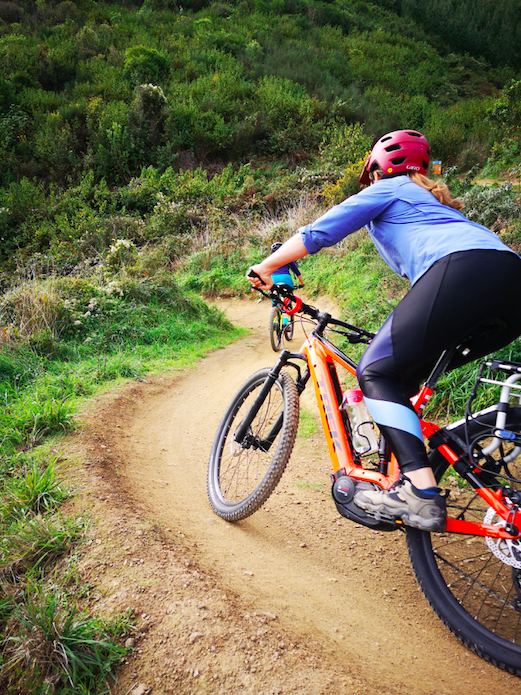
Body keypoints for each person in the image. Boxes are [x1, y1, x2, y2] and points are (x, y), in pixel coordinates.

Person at [247, 129, 521, 532]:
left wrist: (268, 266)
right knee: (402, 379)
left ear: (376, 171)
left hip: (462, 270)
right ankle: (436, 464)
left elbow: (318, 232)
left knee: (376, 372)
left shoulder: (389, 188)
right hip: (509, 283)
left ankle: (420, 490)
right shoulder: (434, 204)